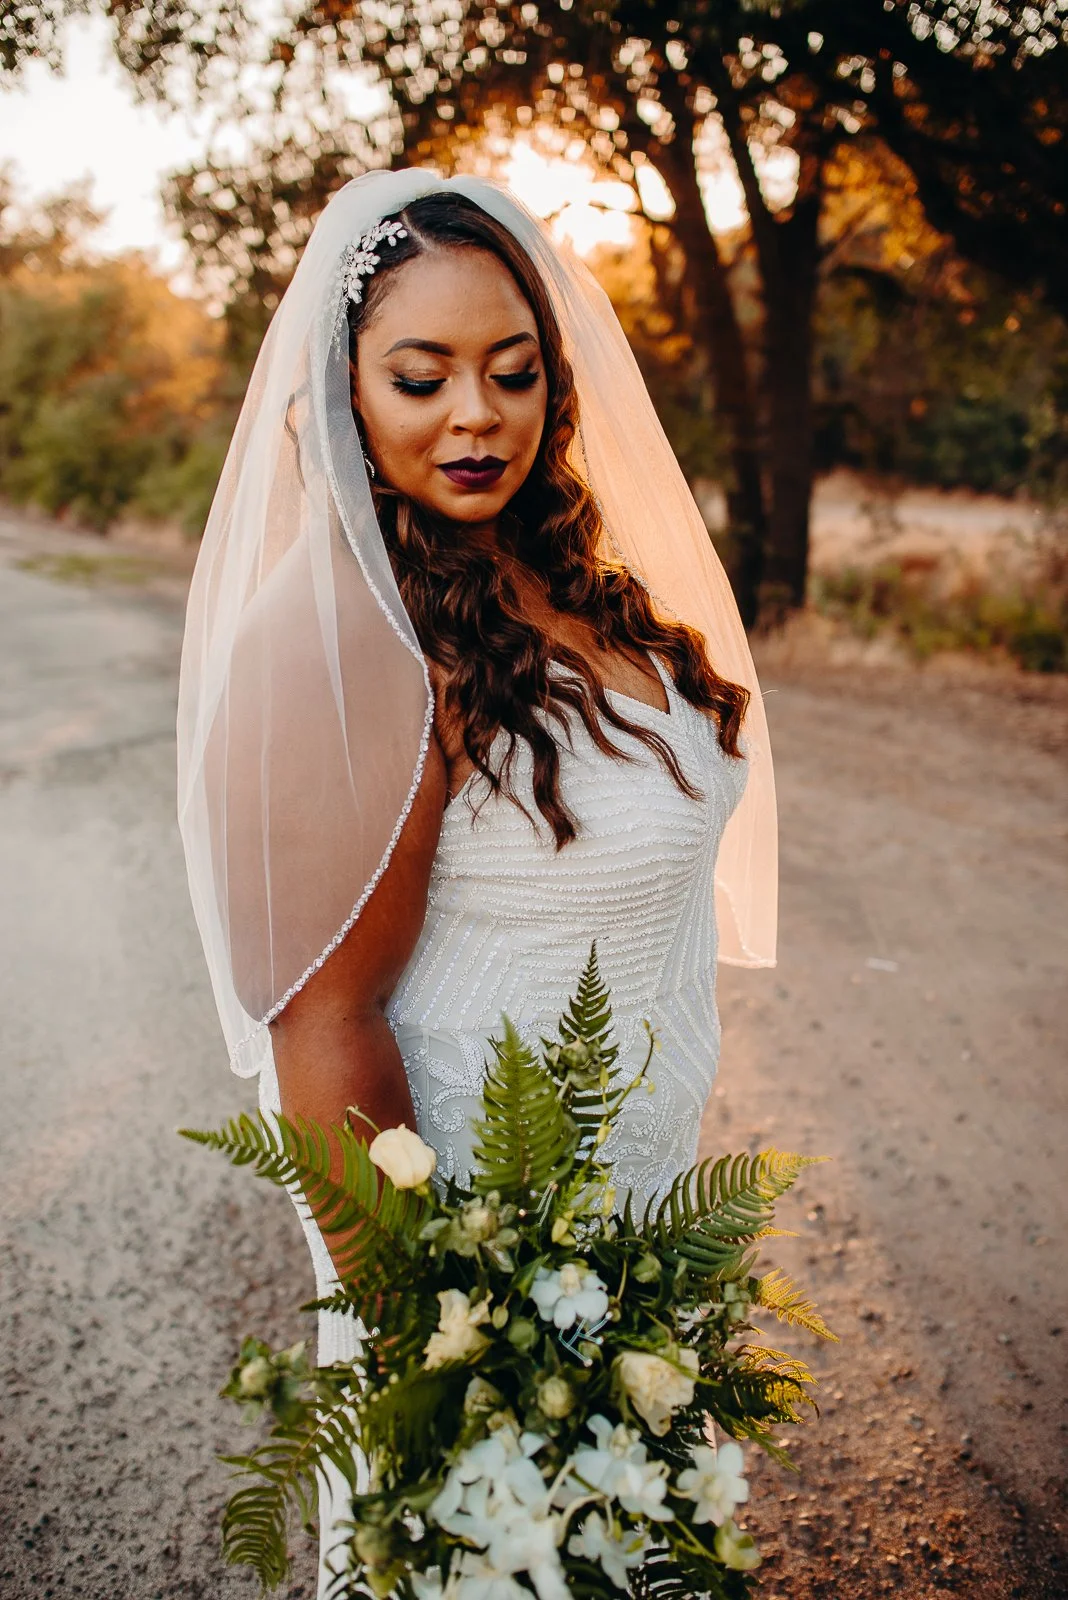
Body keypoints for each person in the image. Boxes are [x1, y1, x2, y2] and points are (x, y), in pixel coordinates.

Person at [177, 168, 778, 1594]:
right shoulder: (332, 636)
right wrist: (447, 1353)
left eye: (514, 373)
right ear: (343, 389)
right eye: (421, 374)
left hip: (626, 1250)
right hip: (474, 1290)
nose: (475, 415)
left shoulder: (571, 581)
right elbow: (321, 1023)